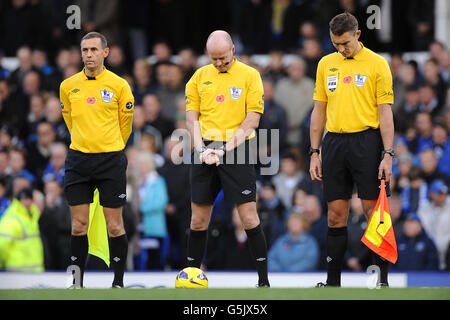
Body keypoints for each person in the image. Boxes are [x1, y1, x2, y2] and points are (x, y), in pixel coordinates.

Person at [309, 12, 395, 287]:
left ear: (358, 35)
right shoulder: (325, 64)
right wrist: (314, 151)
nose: (340, 49)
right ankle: (333, 283)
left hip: (367, 142)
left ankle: (380, 280)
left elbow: (385, 112)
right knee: (335, 214)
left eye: (345, 43)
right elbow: (319, 110)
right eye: (335, 44)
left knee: (373, 212)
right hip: (333, 142)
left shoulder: (377, 64)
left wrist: (388, 153)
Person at [185, 30, 269, 287]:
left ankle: (263, 282)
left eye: (223, 57)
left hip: (238, 148)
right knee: (198, 219)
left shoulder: (250, 75)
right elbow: (192, 118)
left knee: (249, 217)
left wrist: (225, 149)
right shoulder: (199, 76)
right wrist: (201, 150)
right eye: (214, 59)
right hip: (205, 149)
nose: (219, 63)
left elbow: (252, 119)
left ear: (233, 49)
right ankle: (191, 278)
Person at [59, 32, 134, 288]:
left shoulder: (119, 85)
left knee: (114, 225)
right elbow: (69, 120)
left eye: (93, 49)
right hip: (78, 160)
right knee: (79, 224)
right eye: (84, 50)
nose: (88, 54)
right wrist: (86, 141)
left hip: (110, 160)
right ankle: (77, 283)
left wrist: (110, 145)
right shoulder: (68, 86)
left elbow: (126, 125)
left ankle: (118, 283)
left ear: (105, 52)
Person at [0, 188, 44, 272]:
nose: (27, 202)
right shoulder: (12, 218)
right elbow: (2, 245)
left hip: (35, 271)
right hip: (16, 271)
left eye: (29, 199)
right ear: (19, 201)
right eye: (24, 199)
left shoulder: (33, 217)